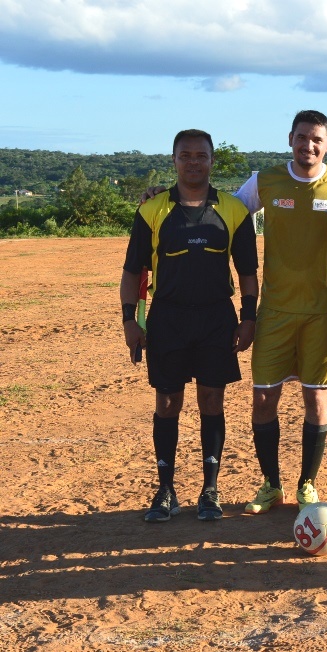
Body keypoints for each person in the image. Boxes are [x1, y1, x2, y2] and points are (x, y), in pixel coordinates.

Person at [235, 110, 327, 514]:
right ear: (290, 139)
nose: (308, 145)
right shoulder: (265, 181)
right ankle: (271, 484)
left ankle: (307, 485)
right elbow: (225, 214)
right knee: (264, 400)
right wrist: (167, 195)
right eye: (301, 137)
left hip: (325, 312)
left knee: (317, 400)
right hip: (275, 311)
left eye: (316, 139)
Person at [120, 129, 258, 522]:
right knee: (167, 403)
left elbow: (247, 273)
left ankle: (209, 490)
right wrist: (131, 321)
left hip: (217, 318)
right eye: (186, 155)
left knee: (212, 401)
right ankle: (165, 491)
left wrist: (248, 318)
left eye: (201, 155)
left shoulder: (234, 210)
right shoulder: (152, 211)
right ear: (174, 160)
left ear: (212, 161)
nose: (194, 161)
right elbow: (133, 272)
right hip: (168, 318)